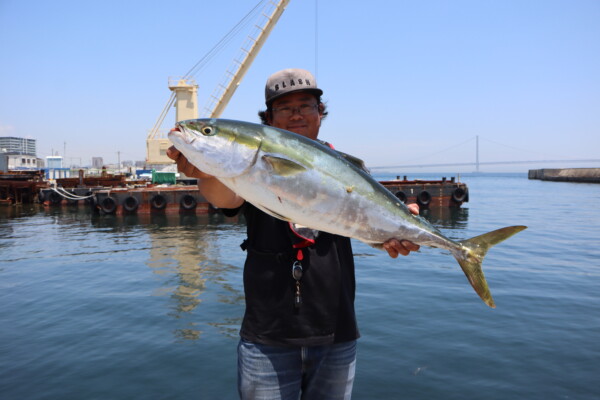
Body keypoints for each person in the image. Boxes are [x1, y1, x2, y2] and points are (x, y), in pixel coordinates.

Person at [167, 68, 420, 400]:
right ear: (269, 119)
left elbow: (370, 219)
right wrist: (206, 169)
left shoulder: (347, 166)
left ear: (320, 114)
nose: (297, 113)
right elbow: (224, 198)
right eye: (285, 108)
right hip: (268, 337)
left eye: (306, 105)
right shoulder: (249, 168)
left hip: (337, 332)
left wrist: (398, 229)